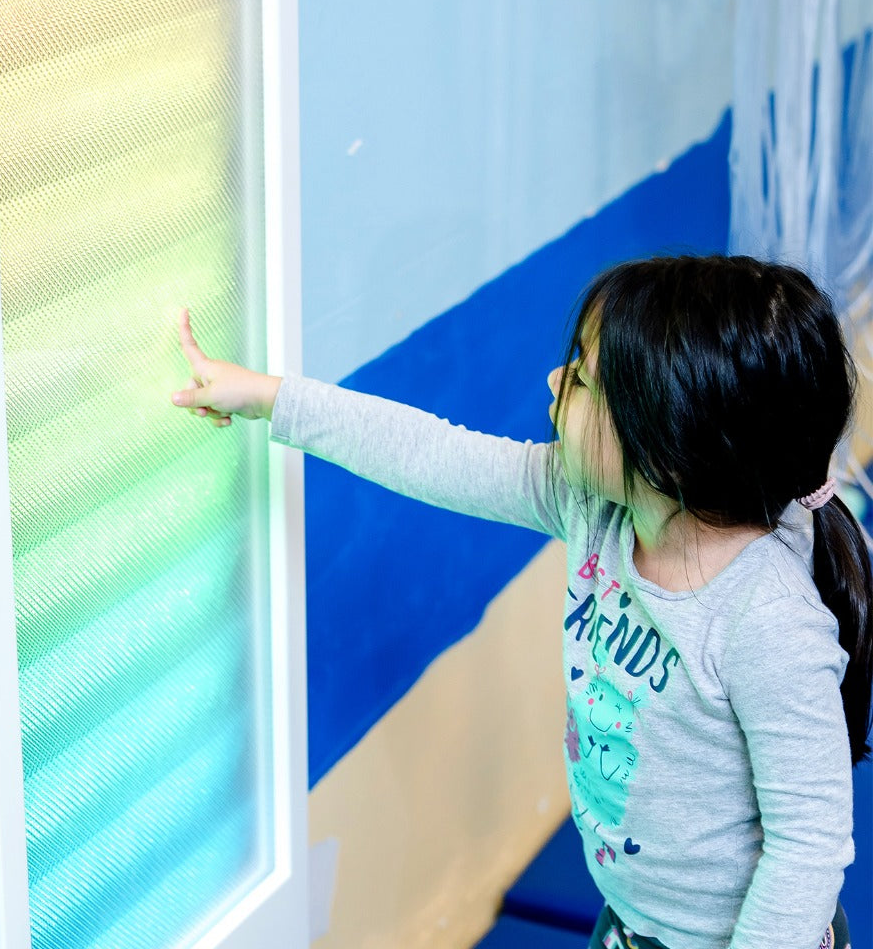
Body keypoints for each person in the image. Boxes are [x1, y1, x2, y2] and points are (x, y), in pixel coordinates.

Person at [171, 254, 873, 949]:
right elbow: (433, 453)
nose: (553, 380)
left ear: (668, 446)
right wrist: (271, 397)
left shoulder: (767, 620)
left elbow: (807, 846)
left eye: (583, 378)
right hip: (634, 922)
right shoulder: (595, 507)